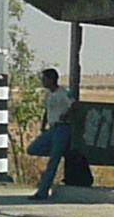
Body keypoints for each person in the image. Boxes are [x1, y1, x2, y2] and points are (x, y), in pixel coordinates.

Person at [29, 67, 79, 198]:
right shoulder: (49, 94)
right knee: (32, 148)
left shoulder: (63, 92)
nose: (42, 81)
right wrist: (43, 124)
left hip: (62, 128)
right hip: (52, 128)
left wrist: (66, 115)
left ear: (51, 80)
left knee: (53, 162)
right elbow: (47, 110)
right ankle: (61, 151)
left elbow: (74, 105)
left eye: (44, 78)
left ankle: (42, 192)